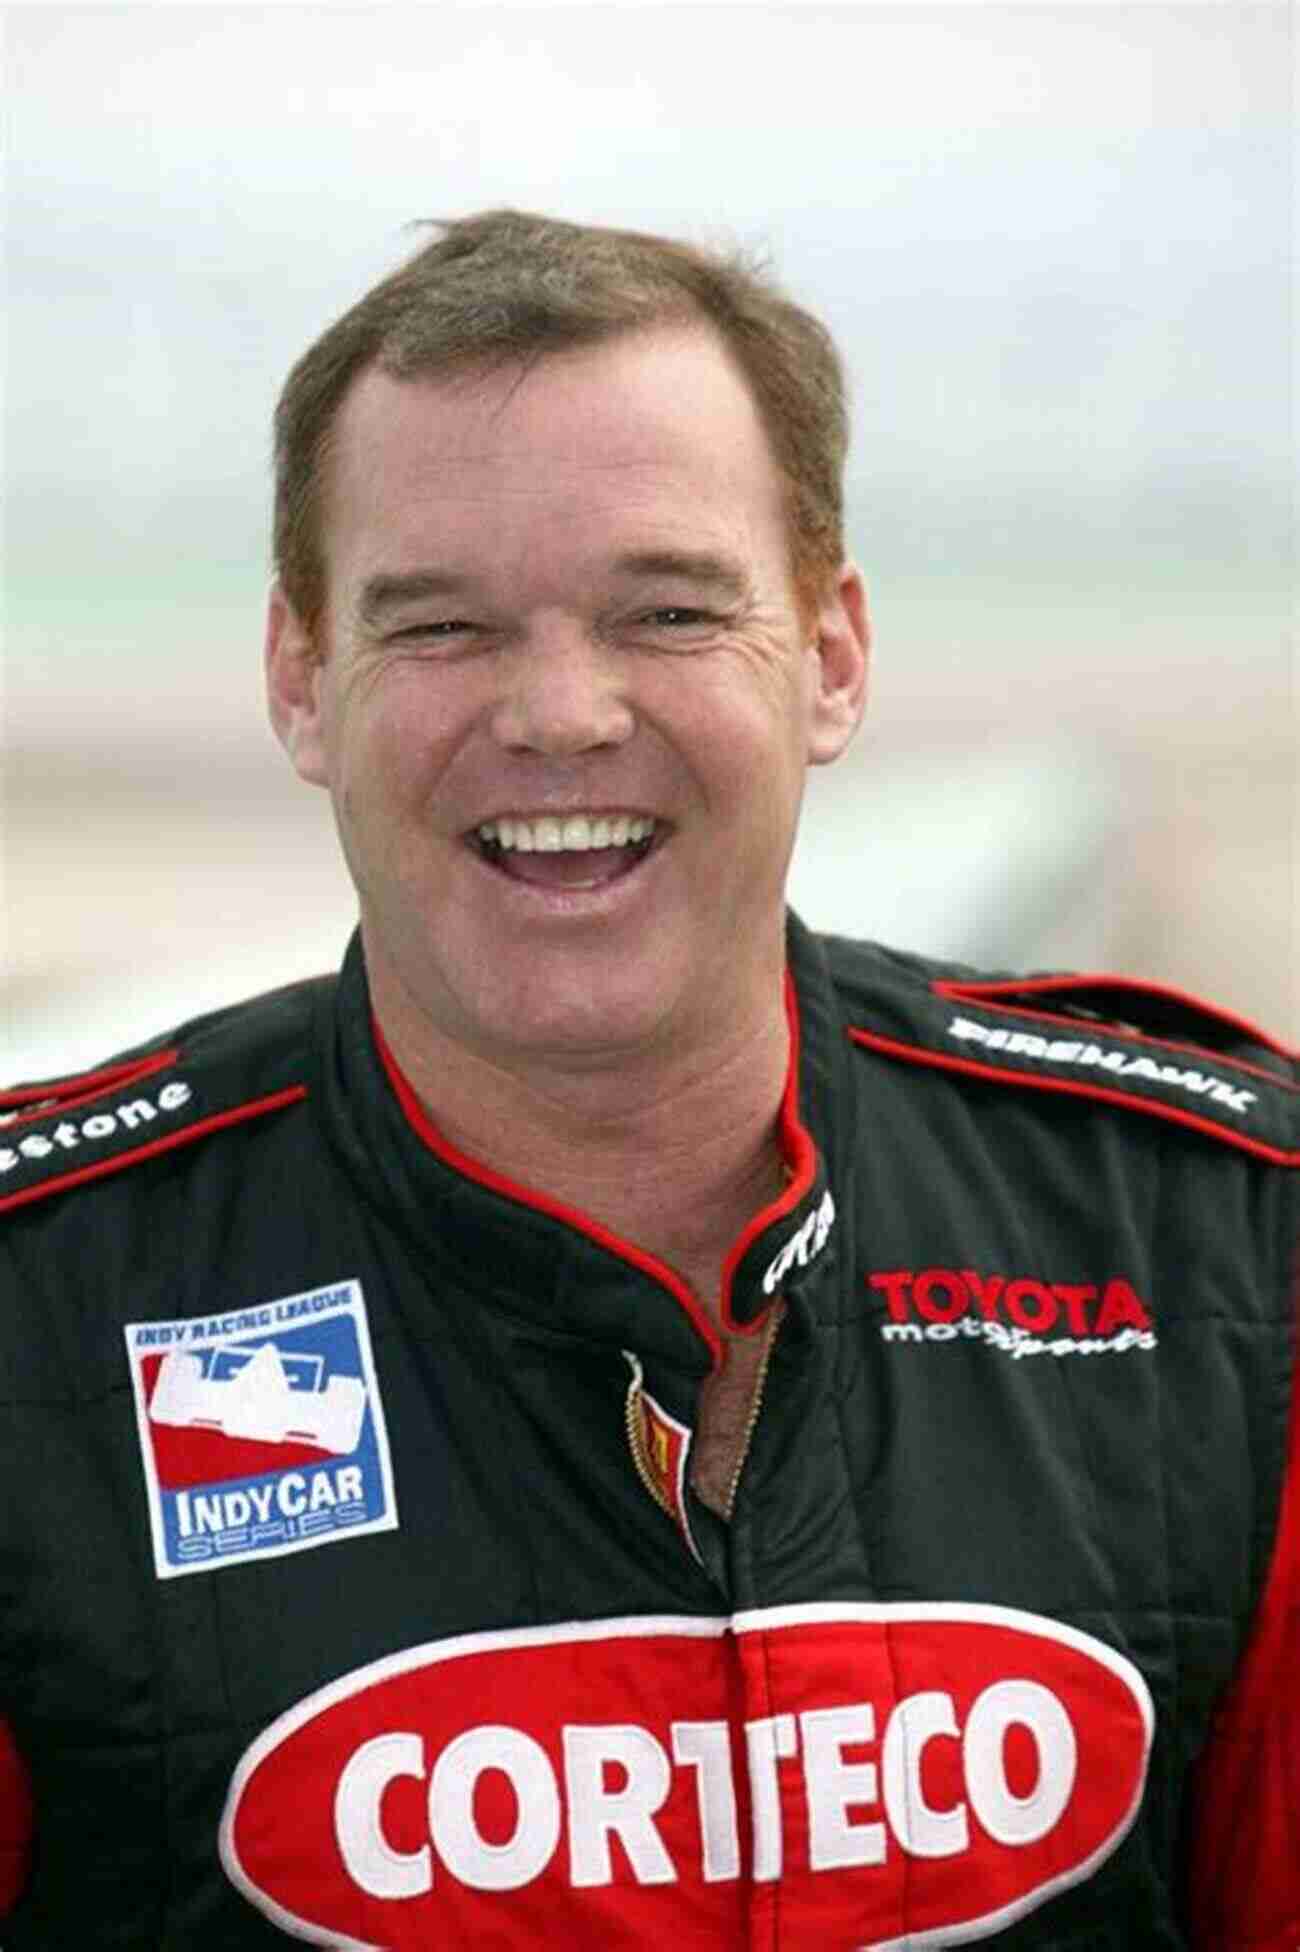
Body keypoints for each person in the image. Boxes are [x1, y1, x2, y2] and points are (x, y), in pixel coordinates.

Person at [0, 210, 1294, 1950]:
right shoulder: (40, 1305)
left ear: (830, 656)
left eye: (668, 610)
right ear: (303, 681)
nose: (560, 712)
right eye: (442, 626)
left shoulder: (1213, 1240)